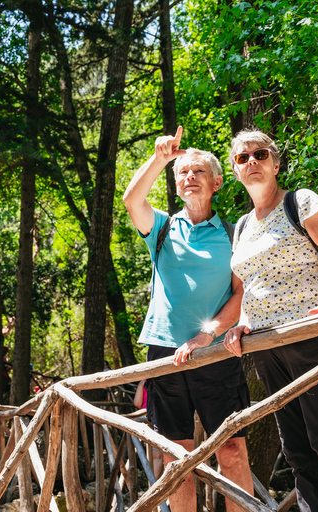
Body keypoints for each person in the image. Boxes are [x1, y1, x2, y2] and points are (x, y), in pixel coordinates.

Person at [223, 129, 318, 512]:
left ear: (274, 162)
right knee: (297, 450)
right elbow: (249, 286)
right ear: (236, 170)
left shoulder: (299, 202)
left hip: (308, 335)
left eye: (259, 154)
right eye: (242, 158)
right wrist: (240, 322)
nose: (251, 161)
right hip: (266, 349)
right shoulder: (241, 226)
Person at [123, 126, 253, 512]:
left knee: (231, 449)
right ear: (176, 184)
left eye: (197, 172)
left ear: (216, 183)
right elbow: (132, 200)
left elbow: (241, 294)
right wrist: (161, 157)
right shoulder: (162, 228)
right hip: (164, 351)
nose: (189, 177)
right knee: (177, 456)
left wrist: (206, 335)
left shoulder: (235, 233)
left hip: (217, 351)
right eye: (182, 173)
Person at [133, 379, 165, 479]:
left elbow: (137, 403)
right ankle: (158, 486)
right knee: (163, 455)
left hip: (148, 419)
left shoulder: (144, 382)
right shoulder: (165, 378)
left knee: (155, 456)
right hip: (163, 417)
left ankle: (153, 485)